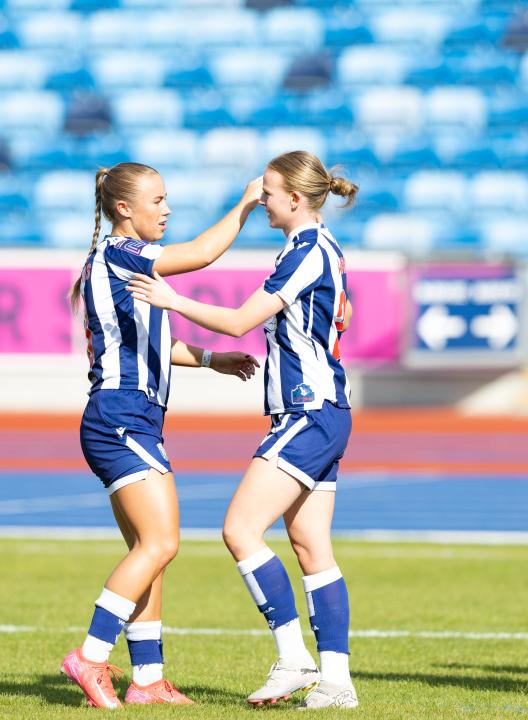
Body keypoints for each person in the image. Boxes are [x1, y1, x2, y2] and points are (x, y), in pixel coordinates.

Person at [129, 150, 358, 709]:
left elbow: (238, 322)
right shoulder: (316, 247)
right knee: (311, 546)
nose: (263, 200)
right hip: (323, 410)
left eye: (270, 193)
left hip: (307, 411)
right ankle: (337, 682)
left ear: (295, 200)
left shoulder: (305, 252)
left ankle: (292, 656)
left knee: (239, 530)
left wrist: (170, 298)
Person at [61, 162, 262, 708]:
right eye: (157, 200)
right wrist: (245, 205)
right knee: (162, 542)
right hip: (120, 416)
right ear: (124, 208)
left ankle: (147, 680)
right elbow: (200, 253)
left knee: (150, 550)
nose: (166, 209)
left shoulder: (118, 266)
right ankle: (91, 657)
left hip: (131, 417)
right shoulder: (120, 254)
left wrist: (211, 359)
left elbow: (149, 344)